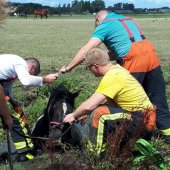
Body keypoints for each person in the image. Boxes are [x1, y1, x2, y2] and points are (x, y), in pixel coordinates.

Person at [60, 10, 170, 144]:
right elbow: (120, 48)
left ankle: (122, 139)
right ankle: (167, 137)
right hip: (152, 57)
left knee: (118, 99)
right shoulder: (128, 19)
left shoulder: (105, 24)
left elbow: (86, 50)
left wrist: (68, 67)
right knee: (158, 100)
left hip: (134, 60)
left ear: (98, 20)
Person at [64, 48, 156, 155]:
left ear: (95, 66)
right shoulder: (117, 70)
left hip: (140, 120)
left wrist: (73, 115)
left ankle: (93, 156)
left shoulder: (112, 76)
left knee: (100, 114)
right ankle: (116, 152)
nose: (89, 70)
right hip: (143, 117)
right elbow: (101, 101)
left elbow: (89, 106)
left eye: (88, 67)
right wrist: (84, 113)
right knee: (100, 111)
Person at [0, 54, 57, 162]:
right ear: (31, 67)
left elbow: (7, 87)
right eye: (32, 74)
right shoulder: (19, 62)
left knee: (14, 113)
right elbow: (26, 81)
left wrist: (13, 102)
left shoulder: (9, 69)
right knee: (16, 118)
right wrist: (44, 79)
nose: (29, 75)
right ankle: (25, 153)